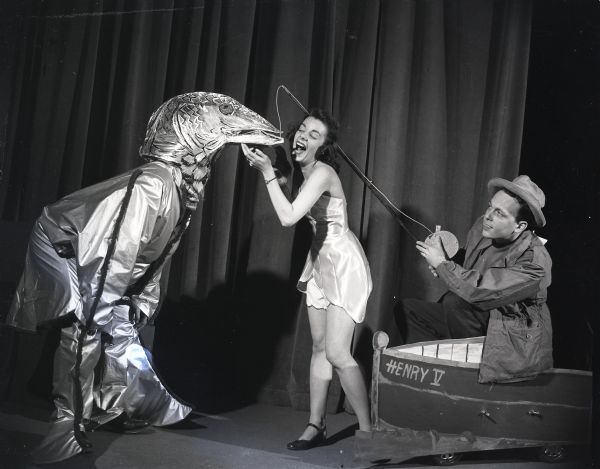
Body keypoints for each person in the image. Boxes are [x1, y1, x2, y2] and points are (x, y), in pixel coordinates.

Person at [5, 91, 283, 463]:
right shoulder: (154, 183)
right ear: (189, 148)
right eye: (208, 156)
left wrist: (142, 299)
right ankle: (67, 428)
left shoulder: (180, 188)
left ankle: (116, 407)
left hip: (98, 251)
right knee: (86, 328)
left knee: (120, 325)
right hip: (63, 245)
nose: (208, 167)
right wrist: (103, 307)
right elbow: (114, 250)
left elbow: (157, 252)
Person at [242, 109, 372, 450]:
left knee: (337, 352)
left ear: (324, 147)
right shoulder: (305, 171)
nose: (303, 136)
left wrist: (268, 172)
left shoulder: (323, 172)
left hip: (343, 265)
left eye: (314, 134)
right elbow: (291, 199)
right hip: (319, 263)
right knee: (318, 348)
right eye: (303, 129)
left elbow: (288, 217)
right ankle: (316, 425)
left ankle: (370, 433)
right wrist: (275, 174)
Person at [395, 175, 553, 383]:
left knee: (455, 302)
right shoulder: (483, 227)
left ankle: (464, 379)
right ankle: (427, 376)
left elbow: (484, 290)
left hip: (511, 336)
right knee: (408, 310)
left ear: (520, 226)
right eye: (490, 207)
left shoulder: (535, 261)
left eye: (499, 213)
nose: (488, 216)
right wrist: (449, 260)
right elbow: (471, 258)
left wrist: (444, 266)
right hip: (474, 319)